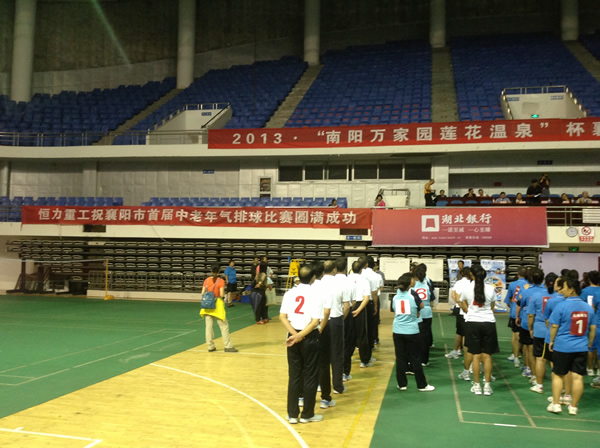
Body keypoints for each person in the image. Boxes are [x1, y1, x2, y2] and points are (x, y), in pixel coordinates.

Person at [279, 264, 323, 424]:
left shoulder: (289, 293)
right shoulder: (316, 294)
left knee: (294, 375)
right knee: (310, 375)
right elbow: (315, 322)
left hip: (292, 336)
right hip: (309, 336)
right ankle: (307, 414)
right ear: (313, 277)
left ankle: (292, 414)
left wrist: (294, 335)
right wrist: (300, 336)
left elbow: (282, 317)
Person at [547, 275, 597, 415]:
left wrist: (551, 341)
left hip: (563, 346)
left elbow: (554, 326)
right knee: (578, 377)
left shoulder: (561, 306)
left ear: (571, 290)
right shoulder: (588, 308)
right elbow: (592, 328)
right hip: (581, 346)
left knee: (558, 375)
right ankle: (573, 407)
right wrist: (589, 343)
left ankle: (556, 404)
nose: (561, 290)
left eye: (564, 288)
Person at [459, 264, 499, 396]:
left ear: (472, 275)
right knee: (487, 356)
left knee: (476, 356)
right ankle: (487, 386)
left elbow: (462, 302)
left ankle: (477, 386)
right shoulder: (491, 289)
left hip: (473, 323)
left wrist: (469, 311)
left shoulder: (467, 288)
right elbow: (492, 307)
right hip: (488, 323)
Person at [392, 272, 435, 392]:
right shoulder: (413, 297)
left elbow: (394, 310)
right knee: (415, 358)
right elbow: (420, 309)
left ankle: (402, 384)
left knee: (400, 358)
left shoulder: (395, 297)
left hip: (397, 331)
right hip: (411, 331)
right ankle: (421, 385)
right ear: (408, 285)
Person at [527, 270, 556, 394]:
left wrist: (530, 329)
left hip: (540, 330)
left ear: (545, 281)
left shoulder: (536, 295)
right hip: (557, 333)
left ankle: (539, 385)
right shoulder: (561, 298)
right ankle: (560, 388)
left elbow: (530, 315)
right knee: (555, 360)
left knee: (540, 359)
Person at [200, 264, 238, 353]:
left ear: (211, 271)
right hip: (217, 305)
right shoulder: (220, 281)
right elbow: (221, 295)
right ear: (219, 271)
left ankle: (210, 346)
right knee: (224, 326)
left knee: (208, 327)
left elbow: (202, 293)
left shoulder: (206, 280)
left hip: (207, 306)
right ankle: (228, 346)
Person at [348, 260, 372, 372]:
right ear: (361, 269)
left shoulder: (347, 279)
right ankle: (364, 360)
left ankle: (348, 357)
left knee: (348, 334)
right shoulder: (364, 280)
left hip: (348, 306)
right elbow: (366, 298)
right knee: (362, 334)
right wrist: (358, 310)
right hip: (360, 306)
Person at [504, 267, 528, 368]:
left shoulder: (513, 285)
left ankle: (516, 357)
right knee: (526, 338)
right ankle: (526, 362)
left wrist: (513, 307)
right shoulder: (529, 285)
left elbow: (508, 300)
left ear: (518, 274)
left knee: (515, 336)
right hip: (526, 314)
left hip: (515, 314)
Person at [412, 264, 434, 366]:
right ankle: (424, 360)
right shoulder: (427, 285)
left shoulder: (413, 286)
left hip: (417, 313)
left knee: (415, 336)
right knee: (425, 337)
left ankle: (415, 357)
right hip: (427, 312)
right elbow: (432, 299)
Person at [581, 271, 600, 376]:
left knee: (590, 345)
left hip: (589, 320)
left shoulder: (584, 291)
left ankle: (590, 368)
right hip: (597, 322)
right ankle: (597, 367)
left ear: (588, 279)